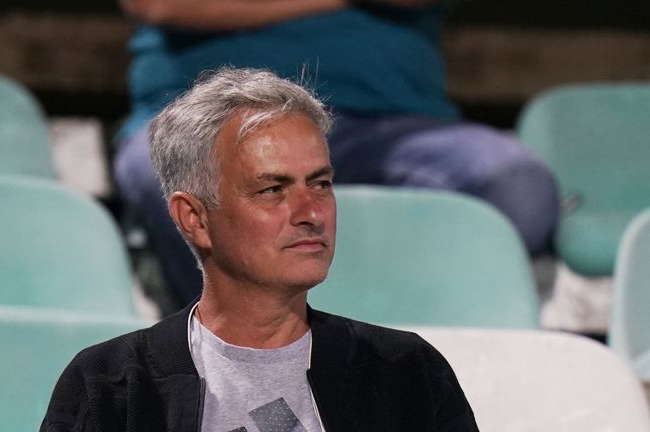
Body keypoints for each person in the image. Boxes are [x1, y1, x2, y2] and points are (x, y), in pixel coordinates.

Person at [41, 68, 478, 431]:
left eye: (320, 184)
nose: (311, 212)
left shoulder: (407, 373)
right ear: (194, 218)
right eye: (272, 189)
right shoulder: (110, 387)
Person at [113, 0, 560, 311]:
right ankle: (226, 360)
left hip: (392, 118)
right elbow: (163, 5)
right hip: (208, 116)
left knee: (516, 184)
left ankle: (402, 359)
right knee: (163, 171)